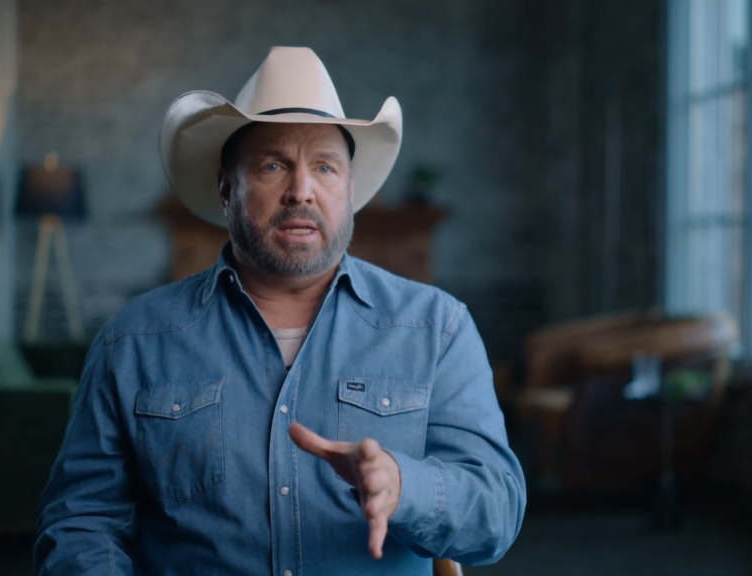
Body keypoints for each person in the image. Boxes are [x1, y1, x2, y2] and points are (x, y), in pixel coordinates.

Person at [34, 46, 526, 576]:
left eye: (325, 167)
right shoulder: (132, 342)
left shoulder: (438, 329)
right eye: (273, 165)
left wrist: (405, 487)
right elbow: (81, 521)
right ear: (227, 189)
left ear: (351, 190)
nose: (301, 190)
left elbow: (495, 518)